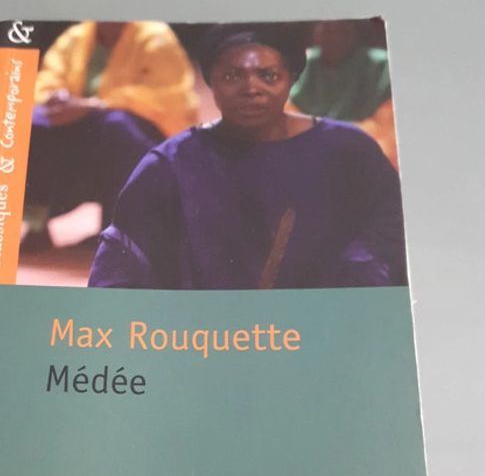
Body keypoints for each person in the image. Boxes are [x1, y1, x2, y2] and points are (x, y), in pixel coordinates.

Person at [88, 25, 407, 290]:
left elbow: (391, 222)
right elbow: (120, 264)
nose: (251, 88)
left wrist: (359, 271)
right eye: (232, 76)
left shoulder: (347, 150)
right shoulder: (172, 163)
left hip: (323, 325)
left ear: (291, 79)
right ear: (210, 82)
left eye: (268, 76)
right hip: (210, 333)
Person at [24, 21, 197, 243]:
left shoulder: (155, 36)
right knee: (34, 121)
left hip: (145, 146)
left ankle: (116, 229)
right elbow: (47, 79)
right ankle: (37, 223)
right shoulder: (77, 36)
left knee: (115, 124)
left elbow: (170, 99)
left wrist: (96, 105)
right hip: (84, 137)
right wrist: (56, 98)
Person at [289, 20, 398, 168]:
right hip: (311, 147)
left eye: (341, 30)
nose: (333, 38)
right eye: (326, 30)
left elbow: (387, 131)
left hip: (364, 144)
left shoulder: (382, 65)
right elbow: (289, 115)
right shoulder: (305, 63)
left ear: (355, 32)